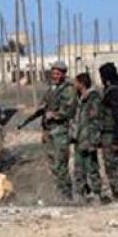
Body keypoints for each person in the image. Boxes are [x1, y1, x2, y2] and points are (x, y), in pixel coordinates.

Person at [41, 61, 78, 200]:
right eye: (53, 73)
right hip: (50, 130)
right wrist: (44, 130)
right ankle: (58, 192)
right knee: (52, 164)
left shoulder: (68, 89)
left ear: (63, 74)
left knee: (61, 164)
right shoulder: (51, 89)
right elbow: (44, 109)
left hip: (61, 131)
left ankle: (66, 195)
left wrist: (55, 115)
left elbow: (69, 110)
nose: (54, 76)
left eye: (57, 74)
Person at [98, 63, 118, 203]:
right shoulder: (110, 90)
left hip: (111, 134)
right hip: (107, 133)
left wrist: (116, 141)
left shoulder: (114, 92)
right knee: (110, 165)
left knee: (112, 166)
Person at [71, 73, 104, 203]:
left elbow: (96, 121)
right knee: (79, 168)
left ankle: (96, 193)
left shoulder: (93, 98)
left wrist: (94, 140)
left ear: (82, 84)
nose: (74, 85)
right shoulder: (80, 98)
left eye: (76, 82)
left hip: (89, 139)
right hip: (80, 139)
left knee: (92, 167)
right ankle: (80, 193)